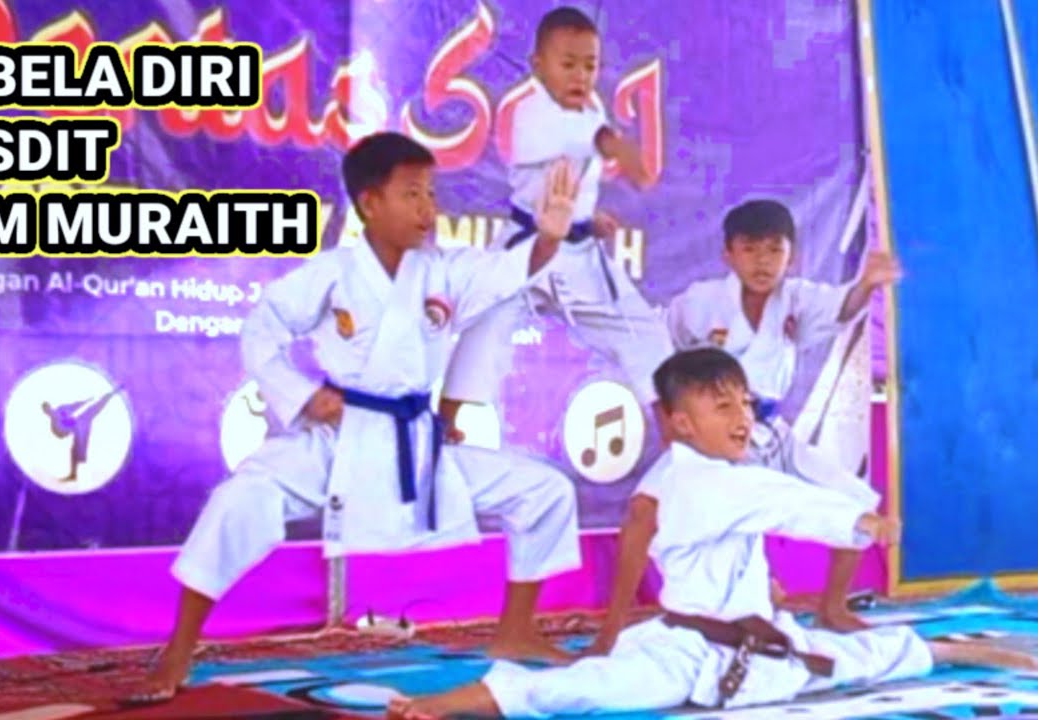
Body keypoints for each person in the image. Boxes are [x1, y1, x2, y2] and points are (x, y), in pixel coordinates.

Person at [126, 132, 586, 703]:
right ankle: (178, 649)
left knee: (545, 490)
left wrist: (548, 237)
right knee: (238, 500)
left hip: (416, 446)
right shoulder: (333, 273)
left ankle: (515, 631)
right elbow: (261, 329)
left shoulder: (445, 271)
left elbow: (507, 272)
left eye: (431, 193)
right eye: (411, 194)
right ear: (370, 203)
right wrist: (302, 395)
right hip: (341, 439)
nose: (428, 208)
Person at [386, 348, 1037, 719]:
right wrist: (857, 521)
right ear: (680, 422)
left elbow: (769, 503)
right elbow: (787, 503)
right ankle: (447, 703)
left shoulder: (713, 473)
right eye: (721, 406)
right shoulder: (707, 482)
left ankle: (959, 651)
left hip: (761, 643)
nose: (741, 416)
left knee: (855, 658)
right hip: (688, 652)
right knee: (586, 689)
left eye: (744, 402)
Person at [640, 198, 902, 632]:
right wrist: (671, 418)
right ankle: (622, 622)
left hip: (770, 431)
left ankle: (832, 607)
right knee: (642, 511)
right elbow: (659, 351)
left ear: (791, 255)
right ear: (728, 254)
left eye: (774, 250)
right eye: (750, 249)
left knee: (854, 500)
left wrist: (867, 285)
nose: (763, 262)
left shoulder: (797, 297)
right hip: (711, 440)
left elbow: (842, 307)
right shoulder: (701, 301)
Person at [438, 6, 673, 445]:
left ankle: (674, 429)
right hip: (526, 246)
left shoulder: (590, 112)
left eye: (590, 66)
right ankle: (446, 420)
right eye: (568, 65)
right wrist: (619, 148)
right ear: (537, 65)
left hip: (579, 253)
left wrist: (589, 219)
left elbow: (576, 175)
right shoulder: (531, 113)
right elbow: (594, 142)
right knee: (484, 323)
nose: (580, 76)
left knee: (642, 328)